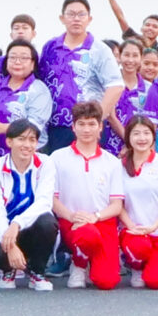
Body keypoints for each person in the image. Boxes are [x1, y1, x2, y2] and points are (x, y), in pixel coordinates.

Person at [46, 99, 126, 289]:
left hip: (102, 222)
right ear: (73, 127)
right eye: (81, 124)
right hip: (71, 223)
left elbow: (117, 205)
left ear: (100, 127)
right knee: (86, 235)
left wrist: (95, 217)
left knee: (107, 282)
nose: (86, 129)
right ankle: (79, 264)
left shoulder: (112, 162)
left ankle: (92, 262)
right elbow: (51, 198)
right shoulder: (58, 158)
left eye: (91, 124)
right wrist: (71, 216)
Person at [0, 119, 60, 291]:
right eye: (21, 139)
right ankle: (8, 270)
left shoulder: (45, 163)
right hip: (4, 229)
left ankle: (37, 272)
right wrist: (11, 247)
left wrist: (17, 224)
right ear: (9, 142)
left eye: (32, 140)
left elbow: (44, 202)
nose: (27, 145)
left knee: (47, 222)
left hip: (29, 227)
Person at [38, 0, 125, 152]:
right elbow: (40, 81)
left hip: (88, 128)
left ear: (89, 19)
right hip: (56, 126)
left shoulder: (100, 50)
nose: (76, 19)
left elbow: (116, 86)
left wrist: (97, 119)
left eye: (81, 14)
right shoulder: (50, 47)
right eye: (71, 14)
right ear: (62, 18)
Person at [114, 115, 158, 289]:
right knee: (139, 247)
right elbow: (117, 204)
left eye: (146, 133)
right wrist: (131, 226)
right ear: (128, 137)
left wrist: (153, 227)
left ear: (153, 136)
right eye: (136, 133)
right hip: (133, 231)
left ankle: (153, 265)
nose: (142, 138)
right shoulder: (119, 166)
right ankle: (137, 266)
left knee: (156, 281)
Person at [0, 40, 56, 164]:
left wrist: (3, 128)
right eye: (12, 57)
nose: (17, 62)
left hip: (28, 154)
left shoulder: (38, 90)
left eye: (24, 58)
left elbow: (35, 125)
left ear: (32, 64)